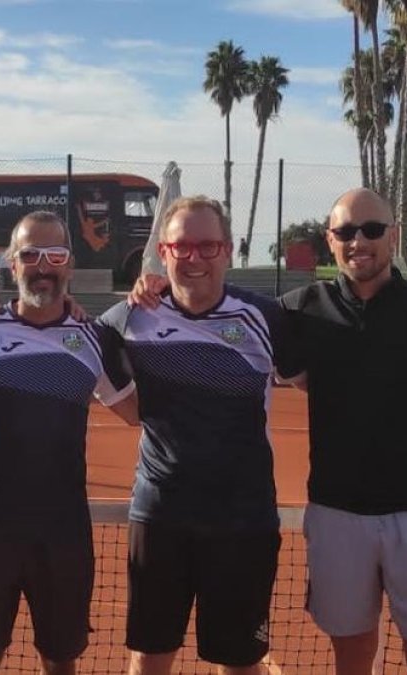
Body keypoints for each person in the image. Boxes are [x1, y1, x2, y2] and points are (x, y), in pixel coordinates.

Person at [278, 187, 407, 675]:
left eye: (372, 230)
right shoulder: (298, 310)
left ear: (393, 236)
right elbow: (220, 309)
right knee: (351, 657)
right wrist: (153, 290)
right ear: (330, 241)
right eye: (346, 232)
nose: (359, 242)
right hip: (336, 516)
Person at [0, 210, 139, 675]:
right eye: (30, 254)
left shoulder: (95, 338)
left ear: (70, 265)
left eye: (55, 254)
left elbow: (141, 414)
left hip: (63, 530)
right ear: (11, 263)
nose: (43, 265)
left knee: (60, 657)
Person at [119, 196, 301, 675]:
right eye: (182, 246)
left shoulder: (265, 318)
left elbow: (321, 382)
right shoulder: (132, 317)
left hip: (242, 521)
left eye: (207, 245)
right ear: (164, 250)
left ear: (227, 251)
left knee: (240, 663)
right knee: (150, 657)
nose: (194, 257)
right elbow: (60, 331)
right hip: (160, 518)